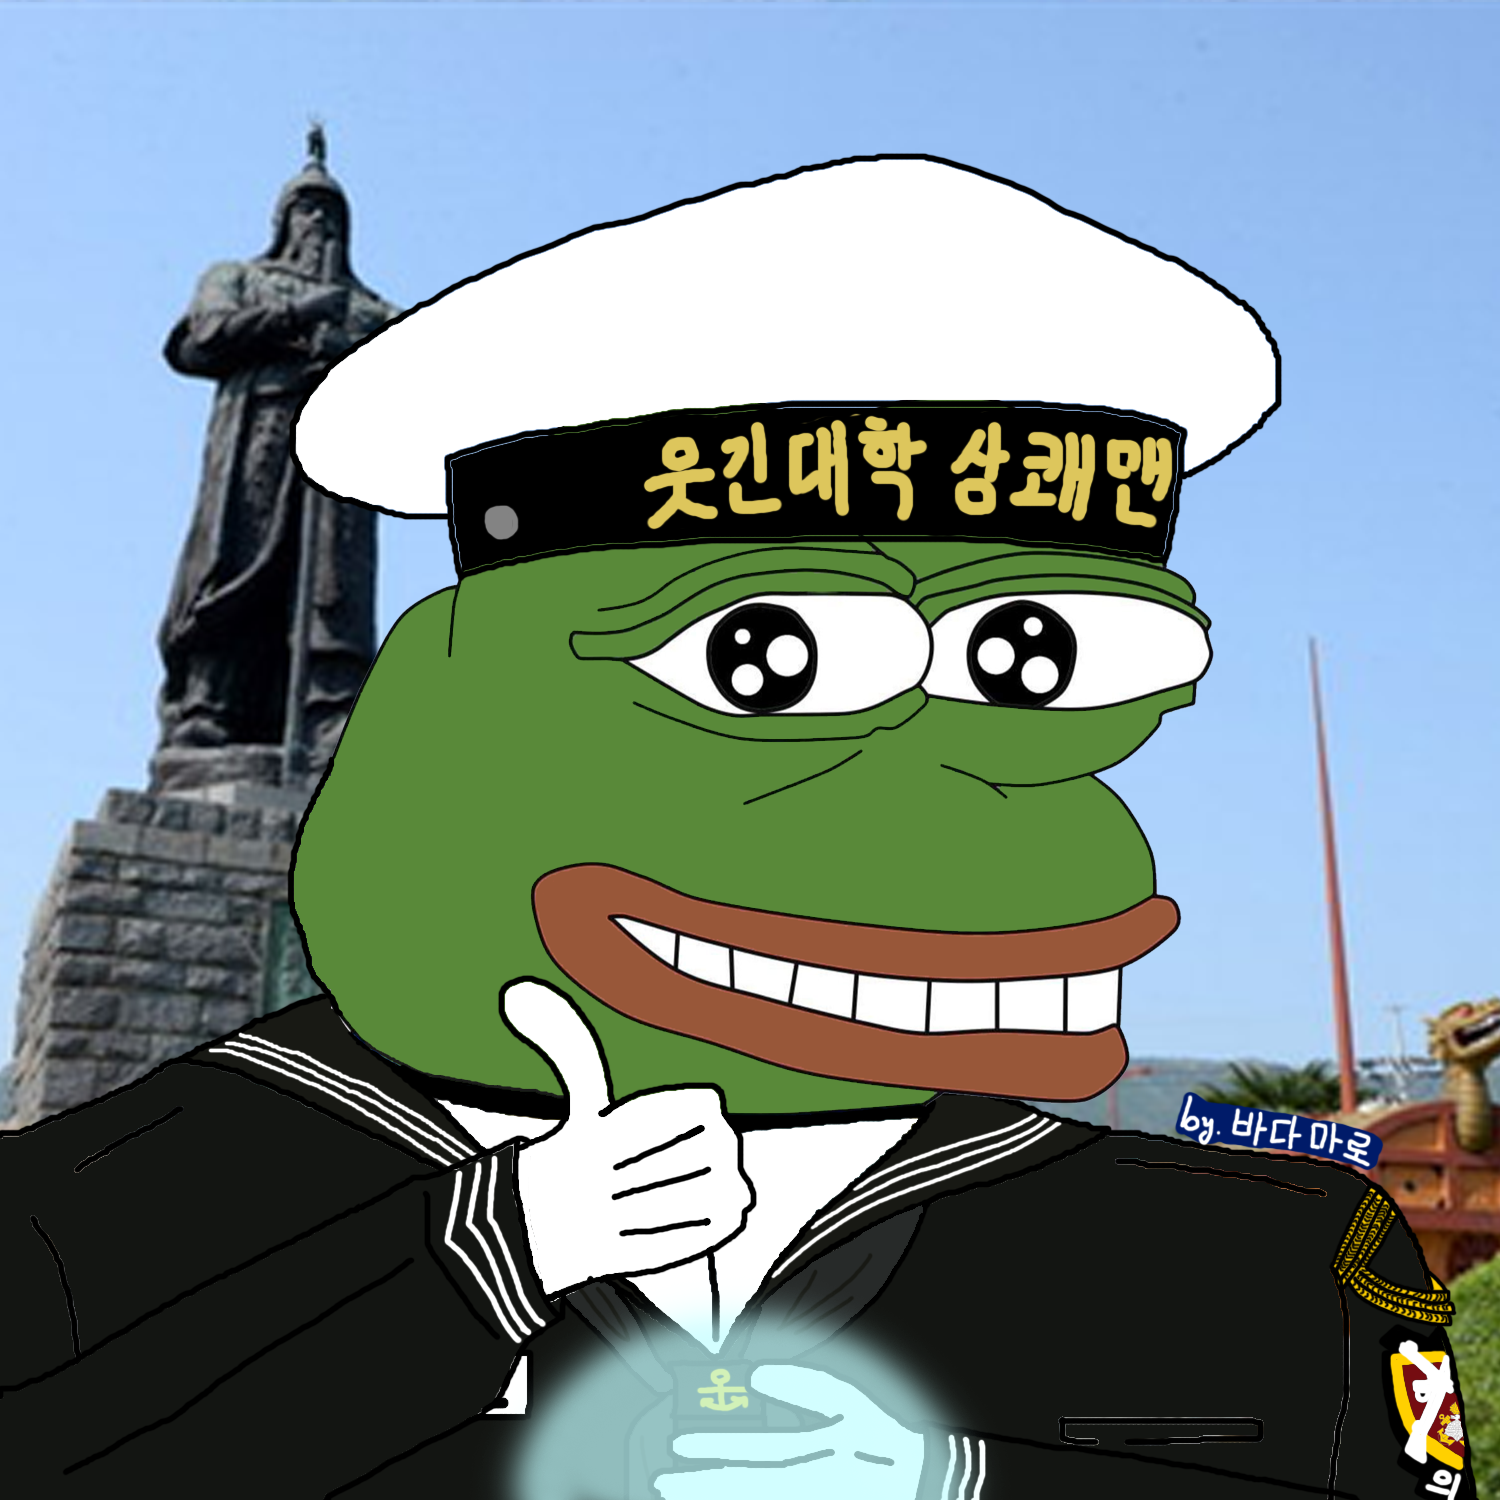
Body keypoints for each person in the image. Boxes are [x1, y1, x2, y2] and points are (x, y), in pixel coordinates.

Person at [1, 157, 1469, 1498]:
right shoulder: (165, 1202)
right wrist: (497, 1251)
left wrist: (956, 1474)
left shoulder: (1266, 1260)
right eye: (764, 664)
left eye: (1031, 669)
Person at [156, 128, 397, 768]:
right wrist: (294, 317)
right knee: (237, 566)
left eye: (331, 212)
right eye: (307, 208)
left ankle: (329, 712)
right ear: (283, 219)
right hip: (254, 445)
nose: (319, 222)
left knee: (331, 588)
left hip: (336, 469)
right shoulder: (240, 276)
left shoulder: (369, 308)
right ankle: (209, 704)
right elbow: (200, 339)